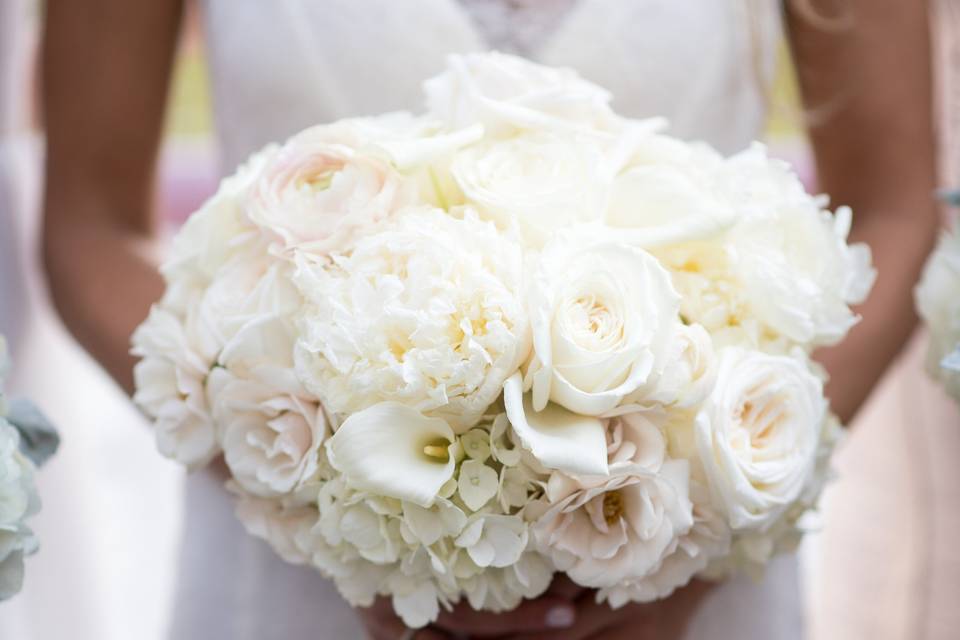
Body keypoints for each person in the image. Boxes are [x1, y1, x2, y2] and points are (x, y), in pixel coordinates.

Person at [40, 1, 938, 638]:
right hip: (296, 578)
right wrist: (294, 475)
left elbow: (894, 209)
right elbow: (91, 227)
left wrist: (697, 531)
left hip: (681, 581)